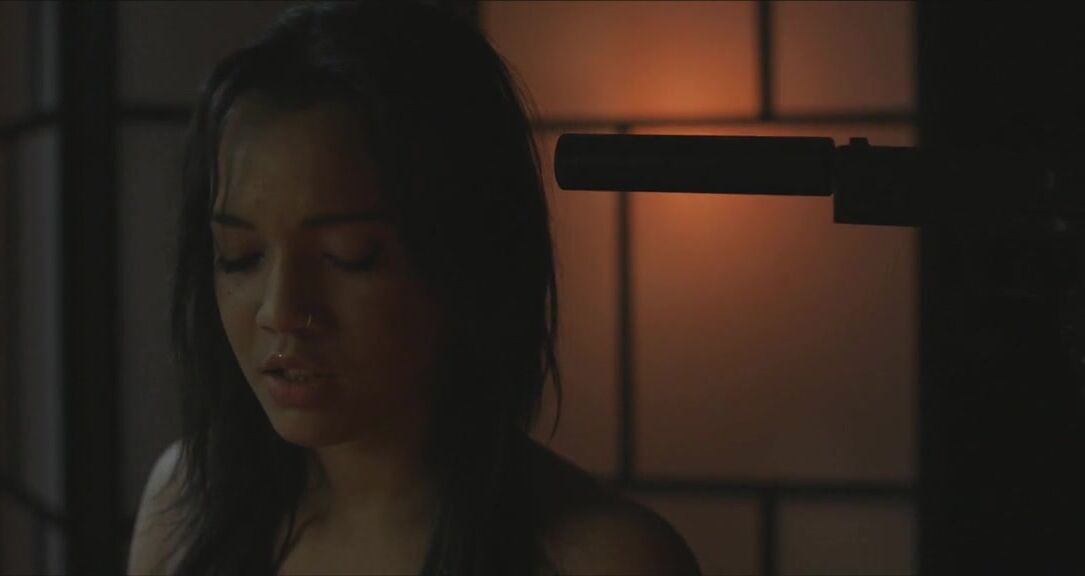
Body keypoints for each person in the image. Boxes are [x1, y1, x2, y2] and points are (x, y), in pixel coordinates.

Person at [126, 1, 701, 574]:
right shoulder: (186, 507)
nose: (281, 310)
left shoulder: (602, 559)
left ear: (464, 257)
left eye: (349, 256)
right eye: (241, 257)